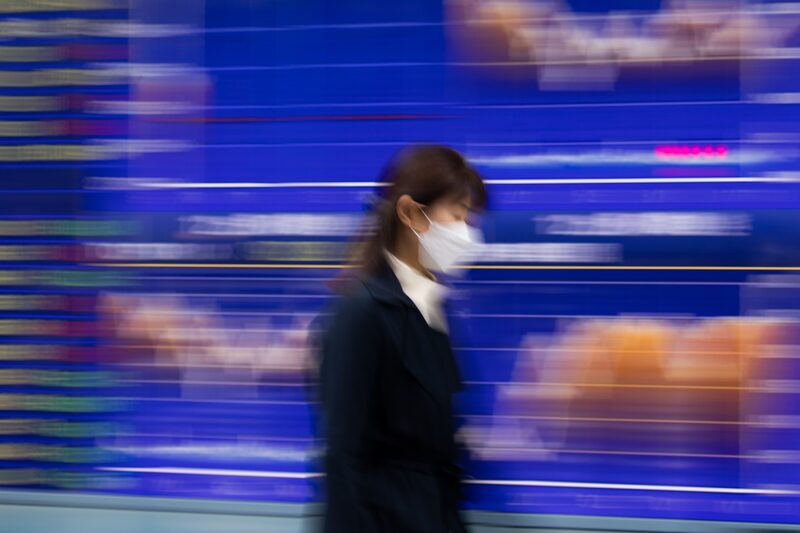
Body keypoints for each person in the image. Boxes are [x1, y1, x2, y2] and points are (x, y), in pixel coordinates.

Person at [318, 145, 487, 532]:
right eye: (459, 213)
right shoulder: (361, 313)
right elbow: (345, 462)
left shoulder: (431, 308)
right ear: (412, 213)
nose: (467, 232)